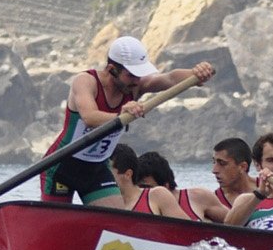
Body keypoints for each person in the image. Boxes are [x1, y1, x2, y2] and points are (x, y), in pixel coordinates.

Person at [40, 35, 214, 207]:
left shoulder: (136, 86)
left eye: (139, 75)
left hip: (96, 168)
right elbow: (89, 117)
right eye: (131, 75)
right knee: (54, 223)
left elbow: (169, 79)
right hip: (61, 166)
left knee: (117, 225)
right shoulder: (85, 81)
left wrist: (194, 74)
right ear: (111, 69)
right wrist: (120, 117)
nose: (136, 81)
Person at [137, 150, 225, 222]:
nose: (140, 192)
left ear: (165, 186)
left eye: (145, 188)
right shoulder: (135, 206)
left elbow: (233, 223)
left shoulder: (198, 197)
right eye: (137, 188)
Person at [110, 145, 191, 218]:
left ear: (128, 174)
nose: (103, 177)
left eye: (108, 172)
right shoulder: (105, 205)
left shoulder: (157, 195)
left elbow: (189, 230)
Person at [209, 137, 258, 210]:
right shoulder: (214, 203)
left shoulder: (271, 189)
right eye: (214, 162)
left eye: (222, 163)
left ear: (242, 167)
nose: (214, 170)